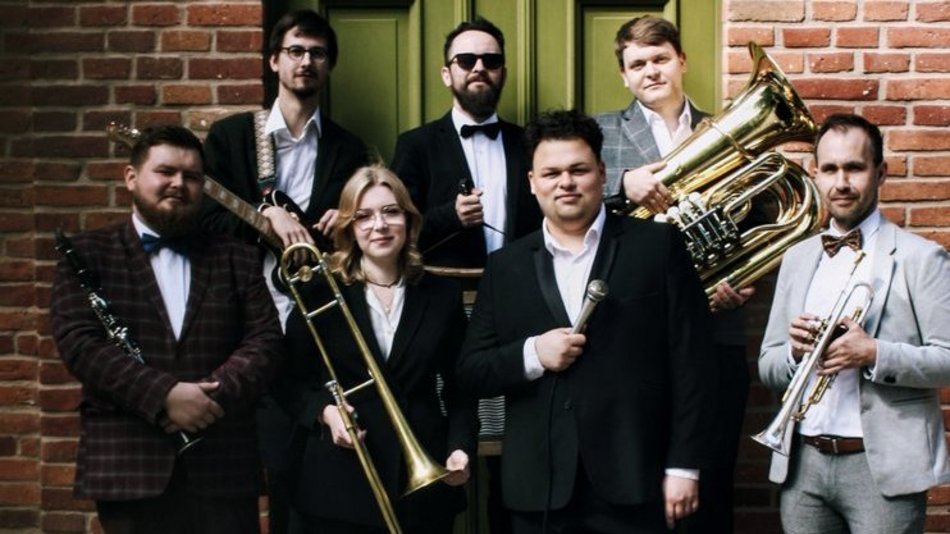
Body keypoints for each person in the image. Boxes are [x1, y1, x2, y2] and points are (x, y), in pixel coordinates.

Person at [457, 109, 714, 533]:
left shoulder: (657, 246)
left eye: (579, 170)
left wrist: (684, 466)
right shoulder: (505, 267)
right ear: (532, 182)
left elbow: (694, 363)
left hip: (636, 477)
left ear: (602, 172)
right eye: (551, 173)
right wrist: (533, 354)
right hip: (538, 488)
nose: (566, 182)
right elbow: (471, 370)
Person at [50, 125, 285, 534]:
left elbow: (264, 341)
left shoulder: (238, 256)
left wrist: (208, 398)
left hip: (222, 463)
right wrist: (164, 396)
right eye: (165, 171)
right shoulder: (87, 254)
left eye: (192, 176)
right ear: (131, 177)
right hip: (130, 463)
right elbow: (81, 345)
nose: (179, 183)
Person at [201, 10, 367, 533]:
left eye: (317, 53)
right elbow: (203, 221)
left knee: (310, 463)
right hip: (243, 320)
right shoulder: (232, 138)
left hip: (315, 323)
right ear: (274, 61)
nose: (306, 62)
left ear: (329, 65)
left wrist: (347, 220)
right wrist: (263, 215)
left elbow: (363, 237)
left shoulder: (348, 149)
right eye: (295, 51)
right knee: (243, 466)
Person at [595, 16, 752, 531]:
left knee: (713, 482)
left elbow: (754, 216)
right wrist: (621, 184)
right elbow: (564, 204)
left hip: (714, 330)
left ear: (681, 61)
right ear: (623, 75)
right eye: (638, 63)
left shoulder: (727, 130)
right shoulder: (600, 133)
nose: (651, 71)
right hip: (633, 334)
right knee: (639, 485)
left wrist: (740, 280)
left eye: (660, 58)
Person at [758, 113, 950, 533]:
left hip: (881, 470)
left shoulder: (922, 258)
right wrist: (794, 353)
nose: (841, 182)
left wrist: (874, 353)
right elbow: (768, 365)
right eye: (830, 169)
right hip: (802, 467)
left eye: (854, 168)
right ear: (815, 173)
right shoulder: (797, 258)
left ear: (880, 173)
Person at [276, 166, 478, 533]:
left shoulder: (442, 295)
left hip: (424, 478)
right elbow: (285, 381)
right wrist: (325, 412)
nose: (379, 225)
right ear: (349, 227)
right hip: (340, 482)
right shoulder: (318, 292)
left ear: (408, 219)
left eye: (390, 212)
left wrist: (460, 447)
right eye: (364, 216)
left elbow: (460, 387)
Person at [391, 17, 541, 269]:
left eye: (491, 61)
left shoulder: (529, 142)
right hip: (444, 286)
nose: (479, 68)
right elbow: (395, 226)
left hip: (519, 282)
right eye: (466, 60)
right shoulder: (415, 145)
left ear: (503, 75)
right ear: (446, 75)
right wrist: (451, 215)